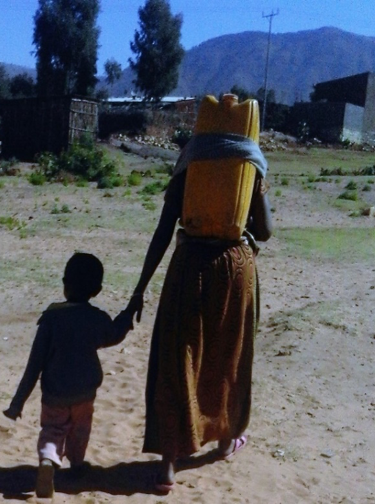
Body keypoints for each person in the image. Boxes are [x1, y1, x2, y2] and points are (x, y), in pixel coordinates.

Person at [127, 94, 273, 492]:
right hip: (236, 268)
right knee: (230, 358)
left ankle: (168, 467)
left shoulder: (189, 164)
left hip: (189, 265)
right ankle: (226, 441)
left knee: (180, 359)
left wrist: (138, 290)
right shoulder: (250, 166)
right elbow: (264, 232)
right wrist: (257, 190)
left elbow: (162, 230)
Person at [4, 252, 134, 499]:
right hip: (85, 393)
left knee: (53, 429)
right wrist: (127, 315)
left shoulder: (51, 319)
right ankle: (76, 465)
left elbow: (34, 365)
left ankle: (48, 459)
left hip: (55, 393)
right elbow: (114, 334)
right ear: (97, 290)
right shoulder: (96, 318)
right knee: (80, 429)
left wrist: (17, 402)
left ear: (65, 283)